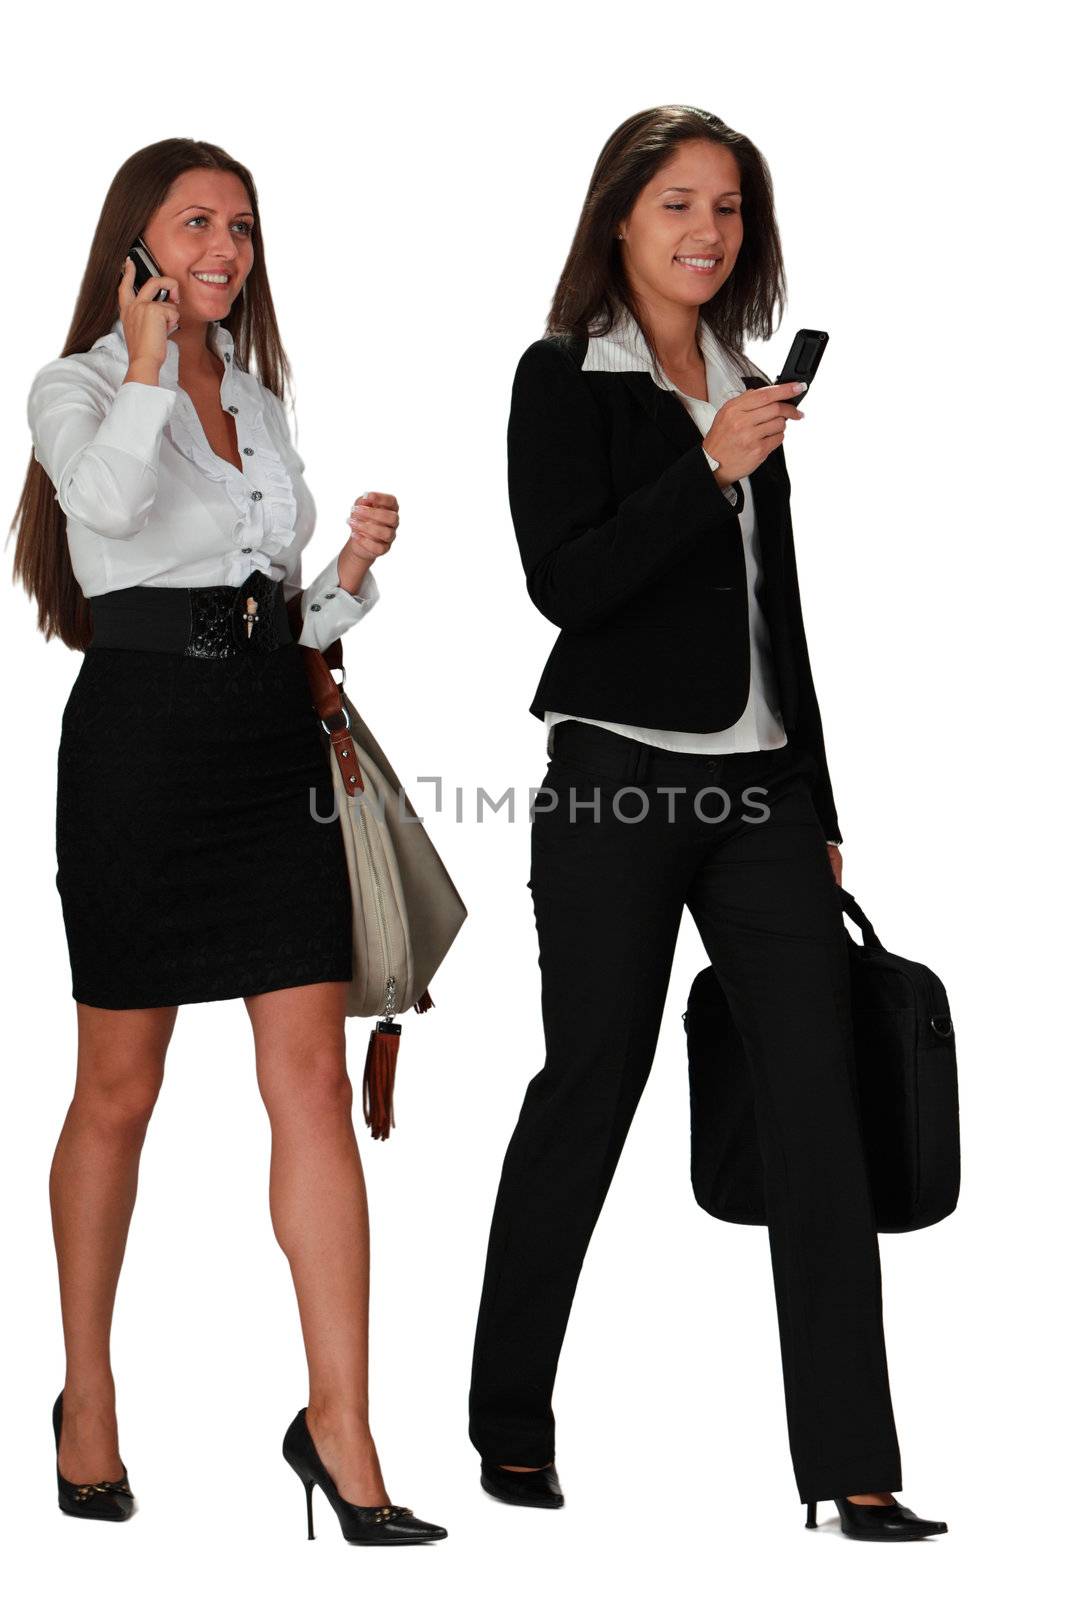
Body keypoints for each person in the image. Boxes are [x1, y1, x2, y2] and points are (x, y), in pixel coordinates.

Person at [468, 105, 947, 1542]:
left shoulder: (744, 380)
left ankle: (855, 1469)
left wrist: (820, 806)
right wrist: (709, 468)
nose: (707, 232)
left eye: (729, 208)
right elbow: (570, 584)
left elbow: (775, 617)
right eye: (677, 203)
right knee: (592, 1087)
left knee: (818, 1106)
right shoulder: (564, 379)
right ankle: (507, 1420)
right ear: (620, 217)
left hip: (760, 793)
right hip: (616, 780)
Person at [12, 137, 445, 1546]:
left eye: (242, 228)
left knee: (310, 1086)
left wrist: (349, 582)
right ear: (135, 245)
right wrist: (145, 369)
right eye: (195, 223)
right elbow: (109, 523)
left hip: (271, 752)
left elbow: (266, 613)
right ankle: (87, 1393)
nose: (224, 250)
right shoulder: (76, 386)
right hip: (141, 751)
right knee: (120, 1093)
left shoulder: (259, 399)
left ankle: (344, 1429)